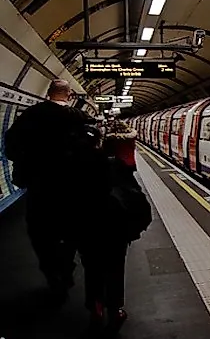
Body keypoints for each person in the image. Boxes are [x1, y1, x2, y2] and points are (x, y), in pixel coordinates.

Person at [3, 79, 94, 303]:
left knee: (41, 233)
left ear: (48, 92)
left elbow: (11, 147)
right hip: (74, 189)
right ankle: (66, 267)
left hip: (40, 187)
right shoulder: (80, 118)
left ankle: (52, 273)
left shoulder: (30, 115)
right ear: (70, 95)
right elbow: (93, 154)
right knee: (72, 230)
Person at [79, 120, 147, 334]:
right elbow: (137, 203)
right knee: (115, 269)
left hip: (87, 227)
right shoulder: (121, 170)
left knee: (92, 269)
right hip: (115, 230)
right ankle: (115, 310)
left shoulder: (86, 166)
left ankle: (95, 308)